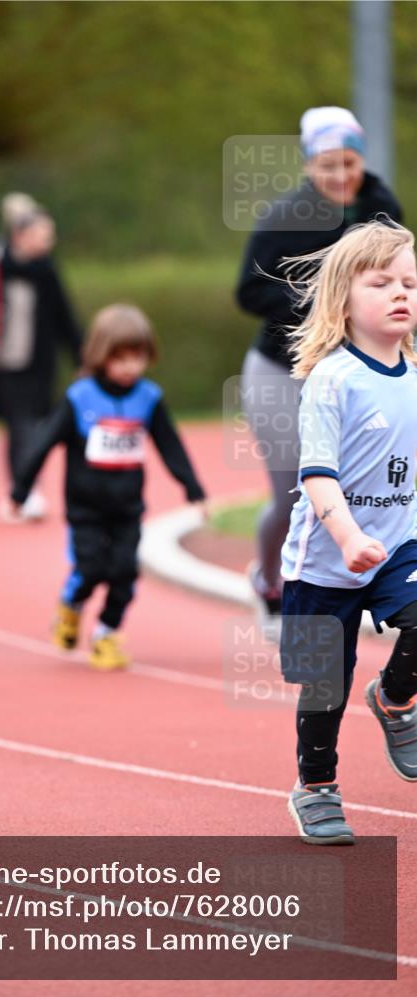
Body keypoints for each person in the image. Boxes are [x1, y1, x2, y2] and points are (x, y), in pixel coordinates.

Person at [235, 107, 403, 632]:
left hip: (356, 371)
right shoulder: (285, 214)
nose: (339, 176)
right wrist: (321, 301)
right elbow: (248, 290)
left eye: (348, 163)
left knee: (375, 489)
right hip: (283, 372)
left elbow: (398, 271)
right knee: (295, 494)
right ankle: (268, 581)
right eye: (327, 165)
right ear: (309, 165)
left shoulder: (380, 205)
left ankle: (379, 588)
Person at [278, 220, 417, 845]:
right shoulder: (333, 381)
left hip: (398, 546)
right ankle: (316, 788)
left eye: (410, 282)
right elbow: (317, 477)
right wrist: (348, 538)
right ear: (344, 299)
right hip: (325, 559)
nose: (400, 293)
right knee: (323, 684)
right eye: (382, 281)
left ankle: (393, 699)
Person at [10, 304, 207, 669]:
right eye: (122, 358)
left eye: (139, 357)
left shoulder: (148, 398)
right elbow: (43, 442)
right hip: (85, 509)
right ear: (102, 356)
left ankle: (105, 633)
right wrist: (21, 489)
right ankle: (71, 605)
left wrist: (192, 486)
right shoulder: (80, 397)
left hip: (127, 508)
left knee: (125, 573)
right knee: (91, 568)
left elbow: (169, 444)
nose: (131, 367)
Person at [0, 193, 82, 521]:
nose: (48, 242)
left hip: (39, 363)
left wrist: (81, 357)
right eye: (42, 235)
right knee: (18, 427)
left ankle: (27, 487)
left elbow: (65, 316)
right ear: (20, 236)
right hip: (4, 363)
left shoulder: (46, 271)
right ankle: (23, 489)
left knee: (37, 425)